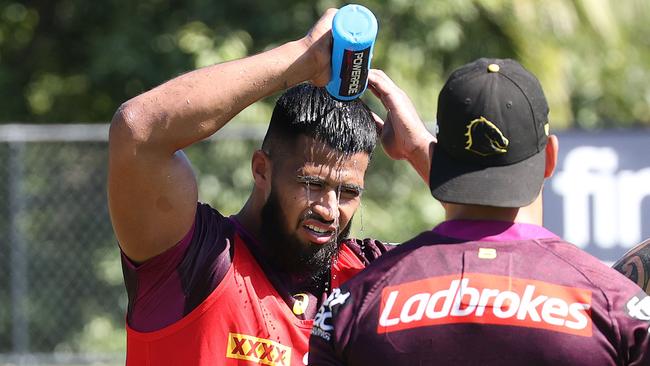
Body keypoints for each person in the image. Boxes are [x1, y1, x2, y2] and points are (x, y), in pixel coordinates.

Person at [107, 8, 434, 366]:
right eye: (312, 183)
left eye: (348, 192)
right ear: (261, 170)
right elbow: (138, 130)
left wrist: (420, 150)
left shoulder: (368, 275)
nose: (328, 209)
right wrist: (298, 59)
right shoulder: (196, 261)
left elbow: (498, 252)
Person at [309, 58, 650, 365]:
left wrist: (419, 150)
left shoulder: (351, 306)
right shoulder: (618, 310)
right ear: (550, 158)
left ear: (440, 156)